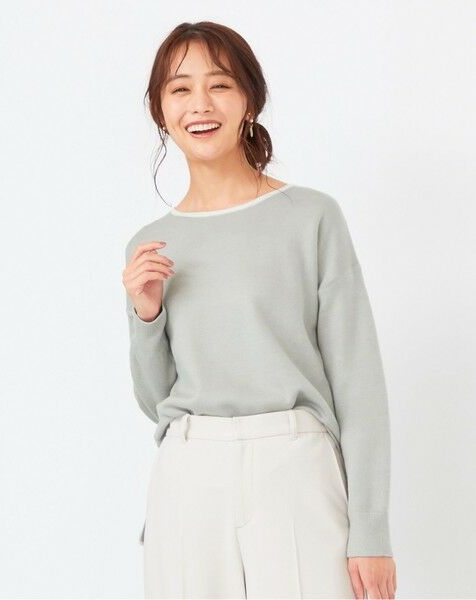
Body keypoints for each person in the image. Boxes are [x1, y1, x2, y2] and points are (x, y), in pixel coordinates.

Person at [122, 21, 397, 600]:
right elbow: (157, 402)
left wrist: (371, 530)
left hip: (295, 467)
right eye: (180, 88)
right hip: (189, 478)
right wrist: (146, 318)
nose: (201, 104)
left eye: (220, 84)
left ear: (250, 100)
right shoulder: (152, 245)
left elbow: (358, 382)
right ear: (160, 111)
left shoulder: (311, 217)